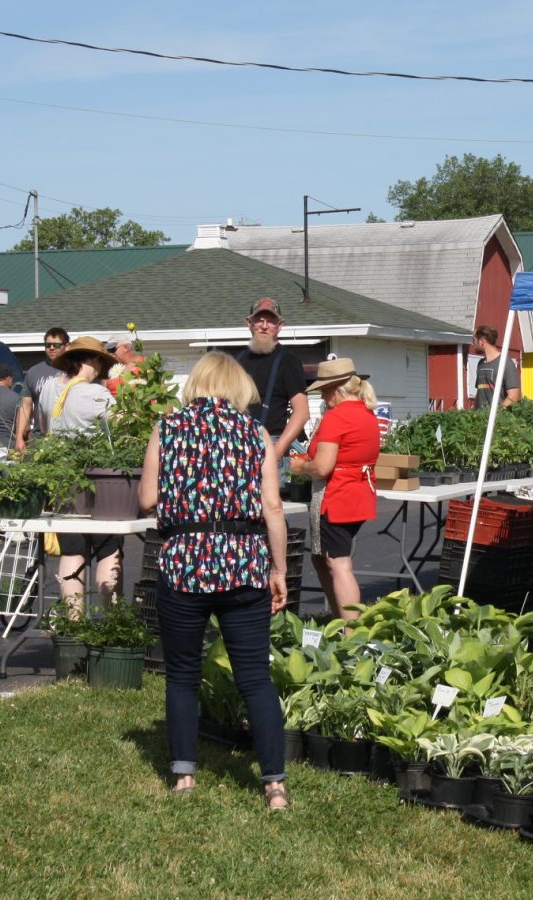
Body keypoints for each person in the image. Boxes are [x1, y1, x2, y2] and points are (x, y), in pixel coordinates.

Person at [138, 351, 289, 806]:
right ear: (238, 386)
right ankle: (275, 784)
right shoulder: (255, 432)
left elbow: (147, 498)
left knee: (182, 675)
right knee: (255, 678)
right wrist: (278, 569)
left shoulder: (168, 427)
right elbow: (273, 508)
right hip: (243, 561)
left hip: (184, 562)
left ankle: (184, 776)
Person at [289, 358, 379, 621]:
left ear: (338, 389)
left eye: (325, 391)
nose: (322, 397)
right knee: (323, 558)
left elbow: (322, 467)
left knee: (338, 563)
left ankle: (353, 632)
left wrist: (300, 468)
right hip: (360, 492)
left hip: (336, 495)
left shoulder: (337, 418)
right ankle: (340, 619)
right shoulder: (366, 413)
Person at [43, 336, 122, 611]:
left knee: (72, 551)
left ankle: (73, 623)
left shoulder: (53, 393)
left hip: (63, 482)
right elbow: (122, 427)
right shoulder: (97, 394)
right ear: (95, 361)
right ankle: (110, 621)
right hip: (98, 482)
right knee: (108, 550)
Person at [233, 298, 308, 477]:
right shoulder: (238, 360)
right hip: (237, 446)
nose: (264, 326)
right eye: (259, 320)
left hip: (272, 444)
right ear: (249, 323)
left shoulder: (288, 361)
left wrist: (277, 452)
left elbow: (302, 412)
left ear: (280, 325)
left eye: (271, 321)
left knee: (270, 504)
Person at [23, 327, 70, 438]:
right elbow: (25, 404)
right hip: (40, 435)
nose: (51, 348)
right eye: (48, 345)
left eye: (56, 345)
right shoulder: (33, 372)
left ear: (66, 346)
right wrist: (20, 436)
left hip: (68, 434)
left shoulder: (74, 370)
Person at [470, 324, 520, 409]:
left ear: (482, 341)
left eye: (474, 340)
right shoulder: (480, 364)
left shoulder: (506, 363)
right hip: (480, 419)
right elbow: (480, 392)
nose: (473, 343)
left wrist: (496, 414)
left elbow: (513, 396)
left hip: (498, 420)